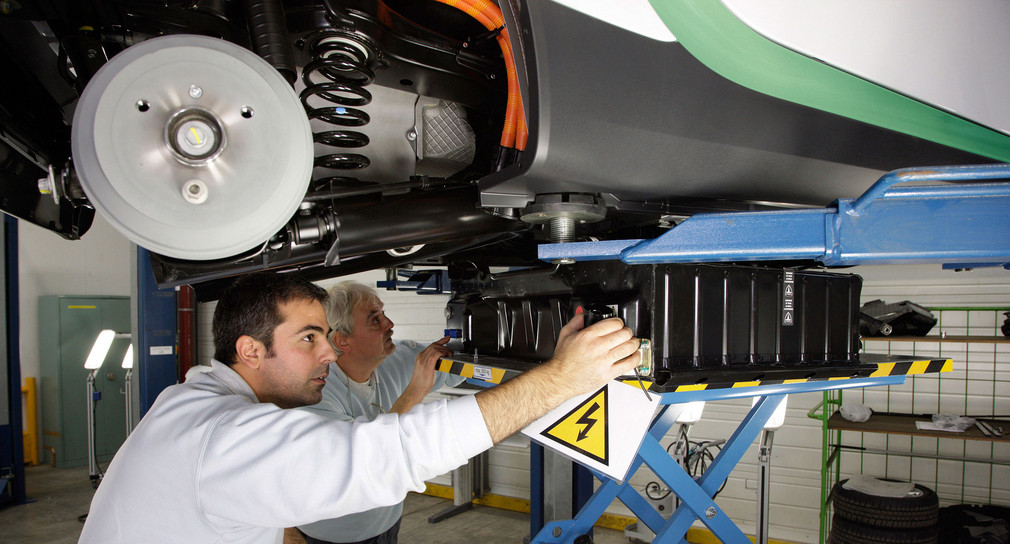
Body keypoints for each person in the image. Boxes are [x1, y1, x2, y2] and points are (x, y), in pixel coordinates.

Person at [79, 271, 641, 543]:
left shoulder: (190, 399)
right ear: (249, 350)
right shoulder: (220, 435)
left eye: (327, 335)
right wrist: (561, 378)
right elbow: (389, 454)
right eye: (308, 339)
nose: (328, 350)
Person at [291, 281, 465, 544]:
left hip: (387, 525)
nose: (389, 324)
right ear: (342, 340)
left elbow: (457, 368)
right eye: (375, 319)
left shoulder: (396, 361)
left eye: (383, 313)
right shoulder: (314, 396)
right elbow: (366, 457)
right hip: (333, 537)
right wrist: (414, 392)